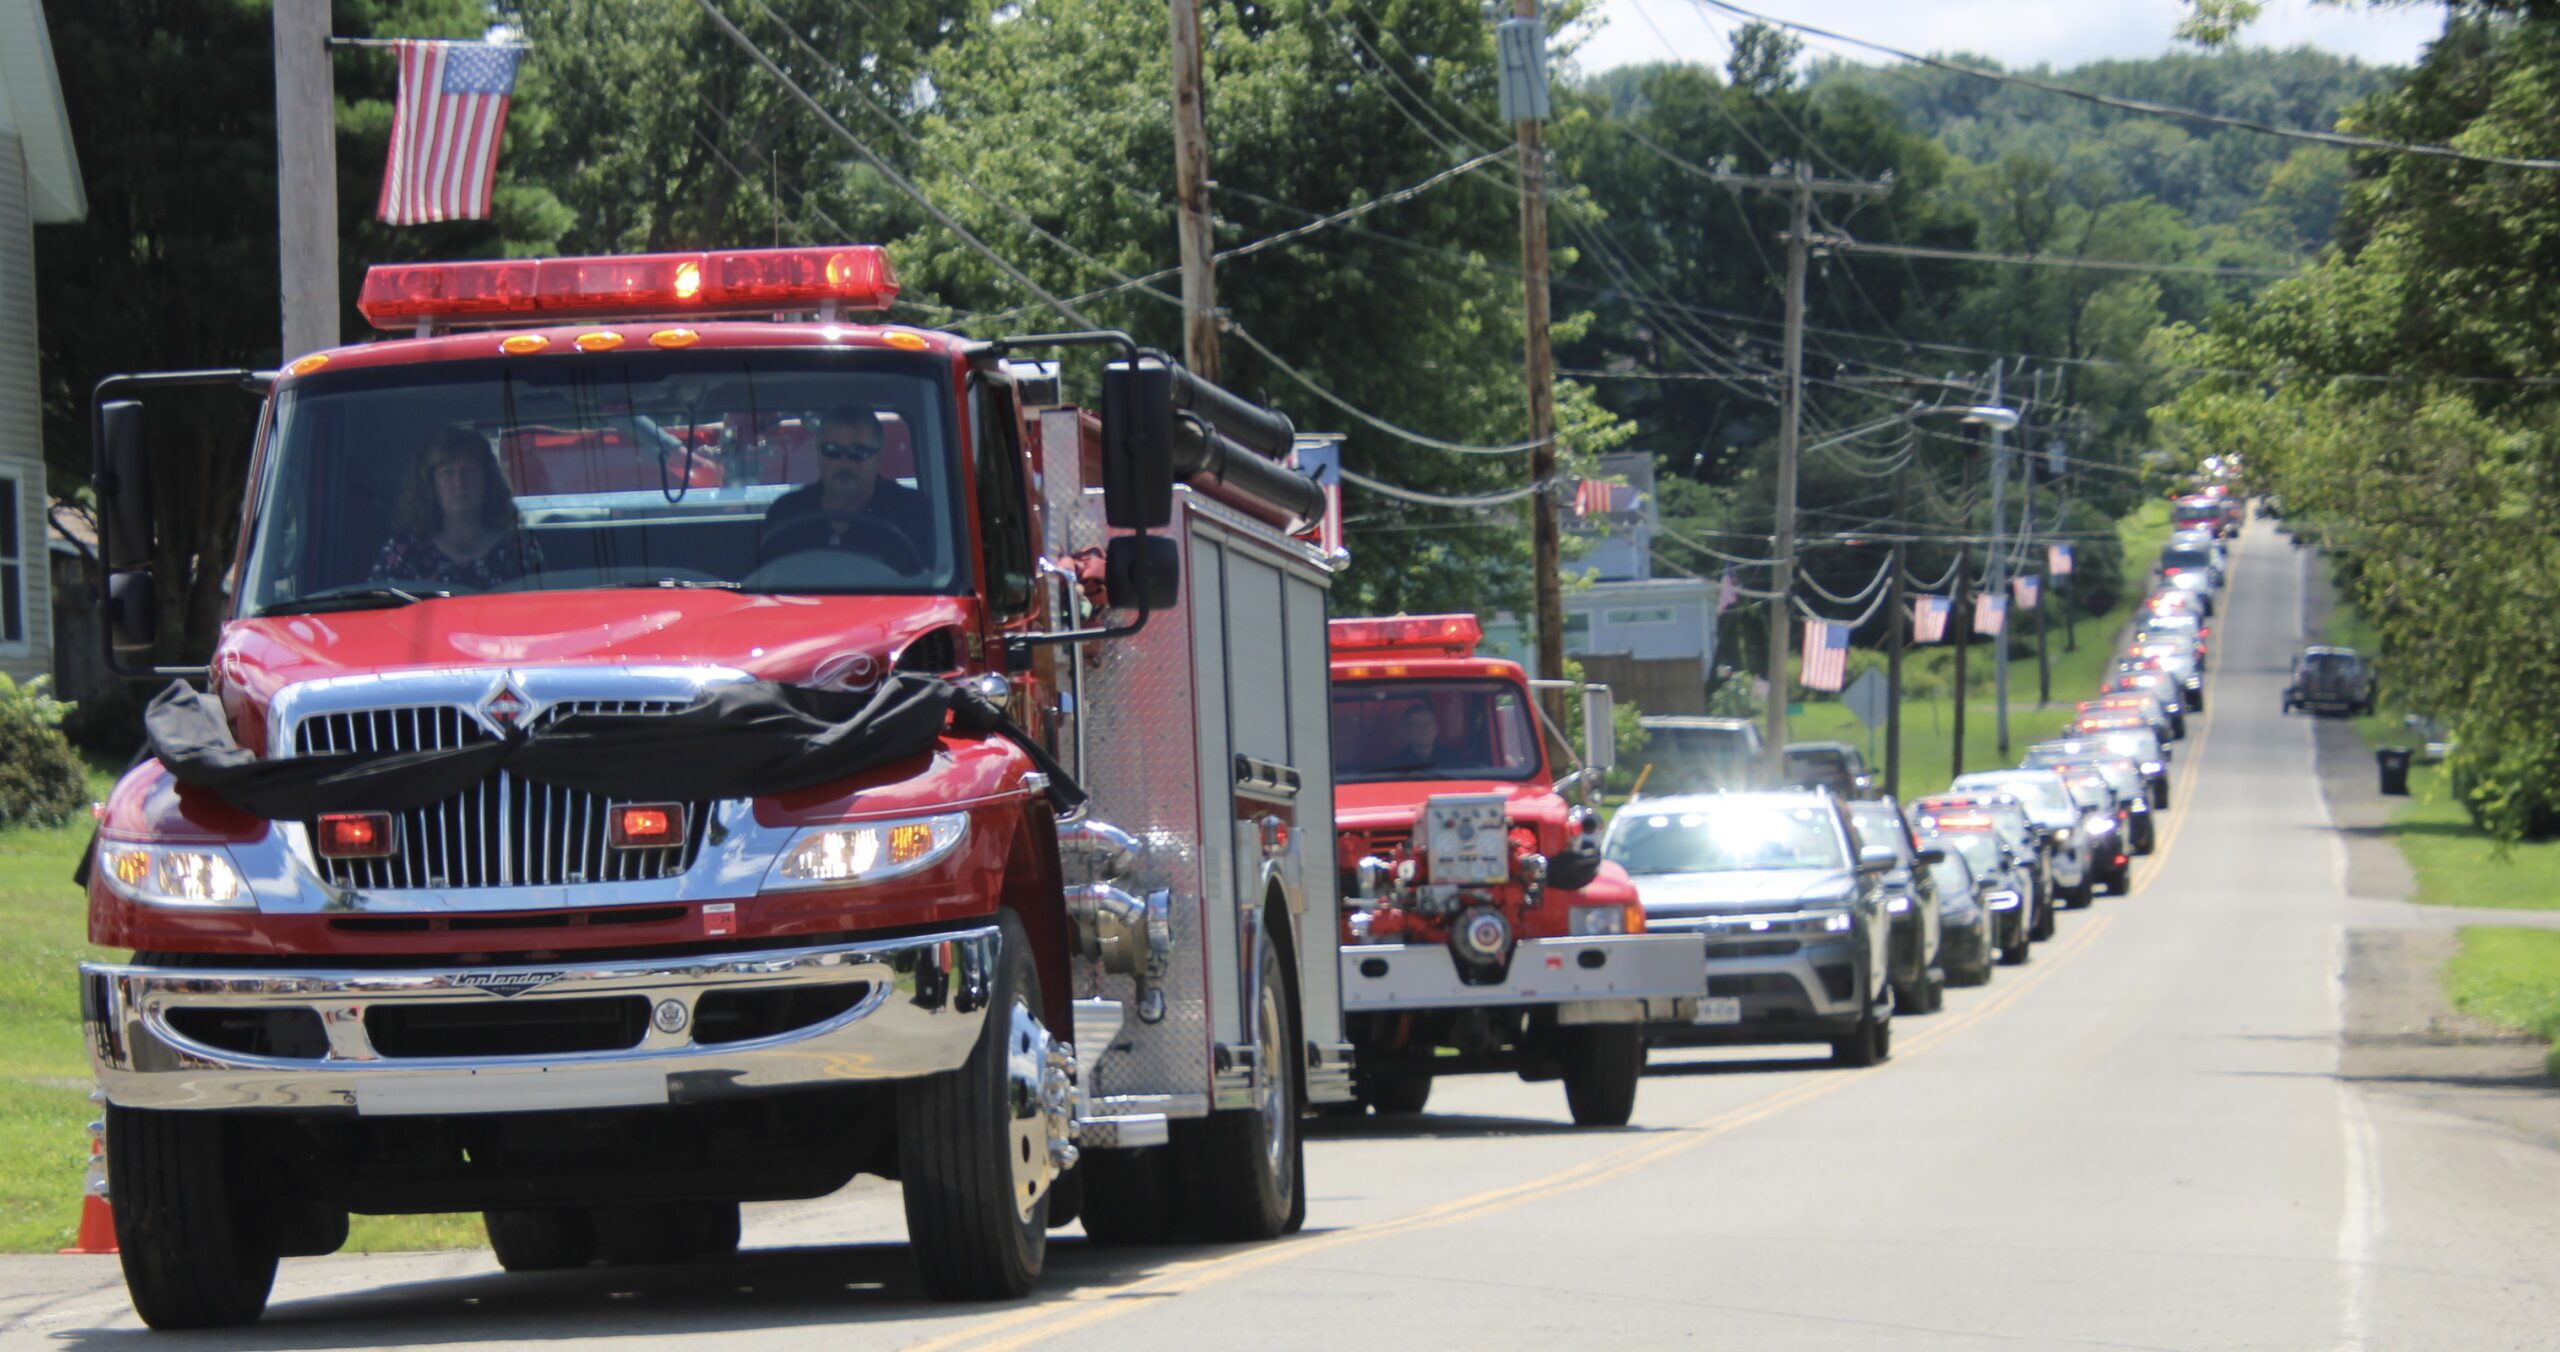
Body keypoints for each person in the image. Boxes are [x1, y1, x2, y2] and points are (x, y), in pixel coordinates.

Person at [371, 426, 543, 589]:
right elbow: (374, 611)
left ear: (486, 480)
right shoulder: (404, 552)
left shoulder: (518, 547)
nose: (459, 483)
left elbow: (544, 608)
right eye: (448, 473)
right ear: (431, 484)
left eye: (468, 471)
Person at [761, 406, 934, 564]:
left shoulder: (913, 512)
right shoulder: (786, 513)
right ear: (818, 455)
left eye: (858, 453)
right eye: (832, 450)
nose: (844, 463)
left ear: (879, 458)